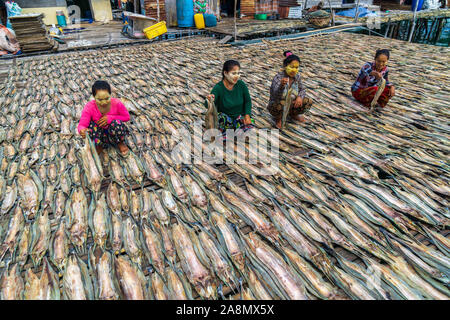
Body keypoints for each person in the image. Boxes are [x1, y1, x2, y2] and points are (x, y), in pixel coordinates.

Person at [78, 80, 130, 156]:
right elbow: (82, 124)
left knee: (117, 123)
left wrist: (110, 118)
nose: (104, 102)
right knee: (91, 125)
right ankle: (99, 145)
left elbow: (126, 117)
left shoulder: (117, 103)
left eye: (107, 98)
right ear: (94, 97)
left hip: (113, 132)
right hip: (99, 134)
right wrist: (82, 130)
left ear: (110, 95)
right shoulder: (89, 107)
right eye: (100, 99)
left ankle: (120, 142)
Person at [206, 60, 253, 140]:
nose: (237, 76)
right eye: (233, 73)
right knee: (222, 121)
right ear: (225, 73)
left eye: (238, 73)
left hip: (238, 117)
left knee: (250, 130)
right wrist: (210, 99)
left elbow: (248, 101)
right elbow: (208, 105)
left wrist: (247, 115)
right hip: (225, 120)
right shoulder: (218, 88)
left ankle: (234, 133)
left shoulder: (241, 85)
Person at [268, 53, 312, 129]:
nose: (294, 70)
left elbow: (302, 89)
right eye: (291, 67)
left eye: (296, 67)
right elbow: (275, 96)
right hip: (278, 104)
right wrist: (281, 86)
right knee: (280, 104)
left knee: (307, 101)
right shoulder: (278, 78)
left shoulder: (297, 76)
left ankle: (293, 114)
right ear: (285, 66)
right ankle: (279, 118)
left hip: (291, 103)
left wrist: (299, 97)